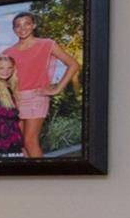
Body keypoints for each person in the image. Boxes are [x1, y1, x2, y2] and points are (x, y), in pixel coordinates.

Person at [5, 11, 79, 158]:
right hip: (15, 99)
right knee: (21, 143)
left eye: (27, 24)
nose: (22, 28)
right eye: (18, 25)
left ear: (34, 25)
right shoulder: (8, 52)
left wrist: (57, 89)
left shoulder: (47, 44)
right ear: (14, 29)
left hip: (36, 97)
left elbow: (73, 64)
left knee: (30, 141)